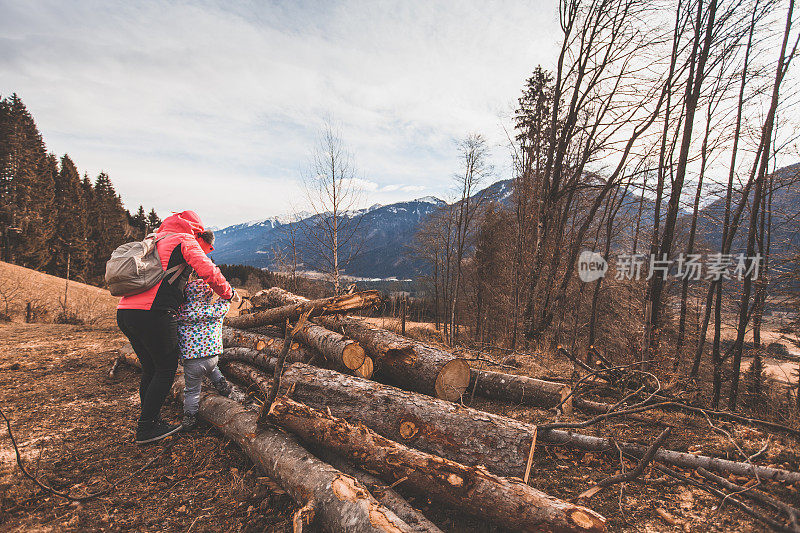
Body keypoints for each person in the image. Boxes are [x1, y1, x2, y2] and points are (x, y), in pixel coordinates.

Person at [116, 211, 236, 445]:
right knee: (165, 369)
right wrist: (228, 293)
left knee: (151, 368)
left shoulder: (155, 239)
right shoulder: (184, 240)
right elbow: (208, 271)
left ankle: (150, 421)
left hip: (126, 312)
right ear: (197, 231)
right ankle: (146, 428)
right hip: (153, 313)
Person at [176, 276, 233, 431]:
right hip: (213, 357)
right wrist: (228, 290)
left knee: (192, 391)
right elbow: (227, 298)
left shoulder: (181, 313)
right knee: (212, 368)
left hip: (191, 361)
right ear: (208, 294)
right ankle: (222, 384)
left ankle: (190, 416)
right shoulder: (214, 310)